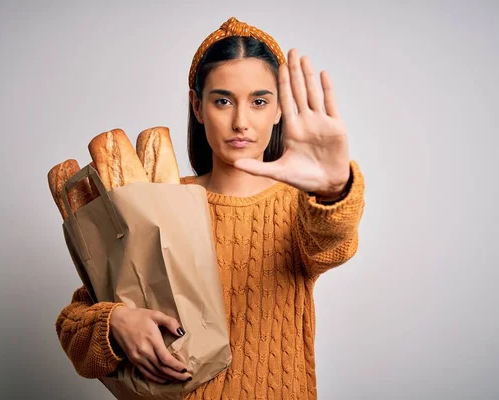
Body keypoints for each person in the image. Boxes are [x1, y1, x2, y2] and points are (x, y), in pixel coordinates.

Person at [55, 16, 365, 399]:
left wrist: (334, 189)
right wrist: (116, 322)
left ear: (280, 109)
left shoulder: (301, 205)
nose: (240, 122)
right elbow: (72, 326)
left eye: (259, 101)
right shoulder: (157, 199)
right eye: (222, 101)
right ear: (197, 107)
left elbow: (333, 245)